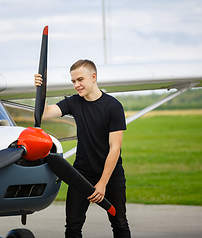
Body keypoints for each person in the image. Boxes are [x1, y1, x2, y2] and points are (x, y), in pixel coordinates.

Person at [34, 59, 131, 238]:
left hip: (111, 174)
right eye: (73, 82)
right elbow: (46, 112)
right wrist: (41, 89)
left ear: (93, 77)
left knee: (119, 223)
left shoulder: (113, 106)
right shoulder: (74, 102)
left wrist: (102, 183)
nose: (76, 85)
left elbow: (115, 148)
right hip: (81, 173)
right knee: (72, 227)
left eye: (80, 80)